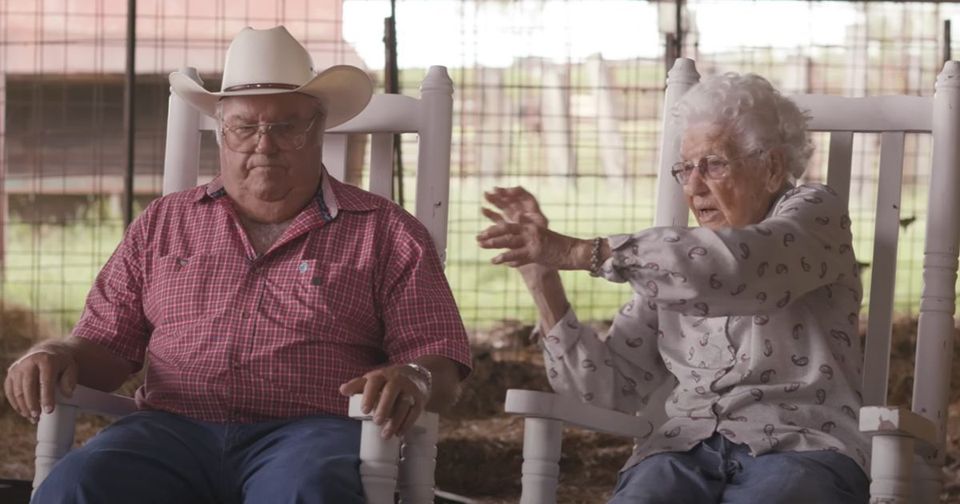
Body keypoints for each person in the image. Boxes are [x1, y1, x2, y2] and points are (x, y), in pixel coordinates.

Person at [5, 26, 471, 504]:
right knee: (77, 485)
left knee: (306, 491)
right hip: (170, 431)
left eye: (287, 126)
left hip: (308, 436)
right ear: (222, 132)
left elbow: (438, 356)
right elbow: (103, 346)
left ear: (319, 129)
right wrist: (56, 355)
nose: (263, 145)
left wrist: (414, 374)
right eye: (246, 126)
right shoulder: (164, 222)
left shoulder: (385, 230)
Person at [478, 73, 869, 503]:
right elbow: (607, 390)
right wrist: (542, 277)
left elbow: (739, 266)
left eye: (715, 164)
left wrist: (580, 252)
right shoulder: (669, 264)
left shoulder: (815, 214)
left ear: (772, 167)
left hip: (802, 446)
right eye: (685, 169)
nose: (694, 186)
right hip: (683, 450)